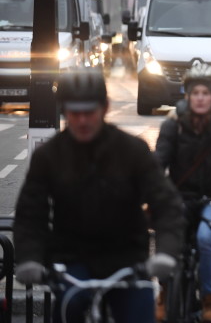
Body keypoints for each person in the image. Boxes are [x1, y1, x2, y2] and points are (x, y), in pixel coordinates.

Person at [13, 69, 185, 323]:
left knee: (139, 314)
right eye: (74, 113)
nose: (82, 120)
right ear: (64, 112)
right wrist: (29, 259)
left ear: (104, 108)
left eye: (89, 112)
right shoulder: (49, 156)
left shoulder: (132, 150)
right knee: (68, 308)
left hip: (127, 261)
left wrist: (165, 253)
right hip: (73, 261)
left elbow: (166, 203)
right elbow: (30, 213)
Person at [154, 63, 211, 323]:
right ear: (187, 95)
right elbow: (158, 162)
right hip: (179, 197)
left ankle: (209, 302)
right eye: (195, 93)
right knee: (168, 234)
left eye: (206, 93)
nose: (200, 98)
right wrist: (151, 190)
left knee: (206, 238)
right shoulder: (174, 124)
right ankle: (163, 292)